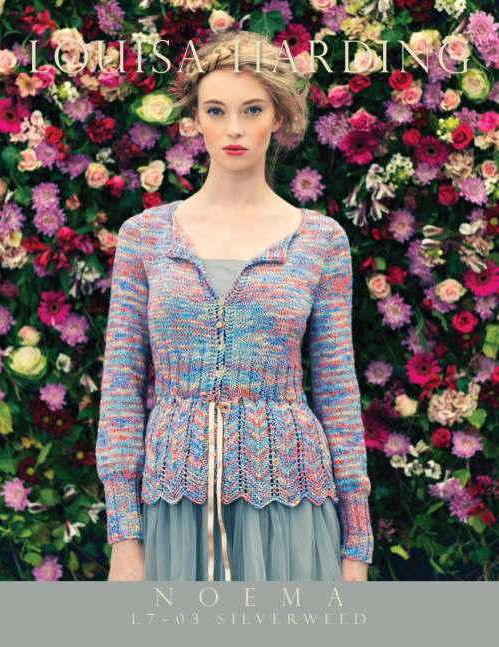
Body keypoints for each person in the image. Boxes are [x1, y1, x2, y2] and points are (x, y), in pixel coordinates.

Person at [95, 30, 374, 582]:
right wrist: (123, 532)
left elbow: (338, 391)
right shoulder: (145, 237)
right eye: (216, 111)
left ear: (279, 117)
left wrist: (357, 544)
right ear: (195, 120)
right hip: (173, 507)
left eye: (252, 110)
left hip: (291, 507)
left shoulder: (319, 241)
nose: (235, 129)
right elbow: (122, 389)